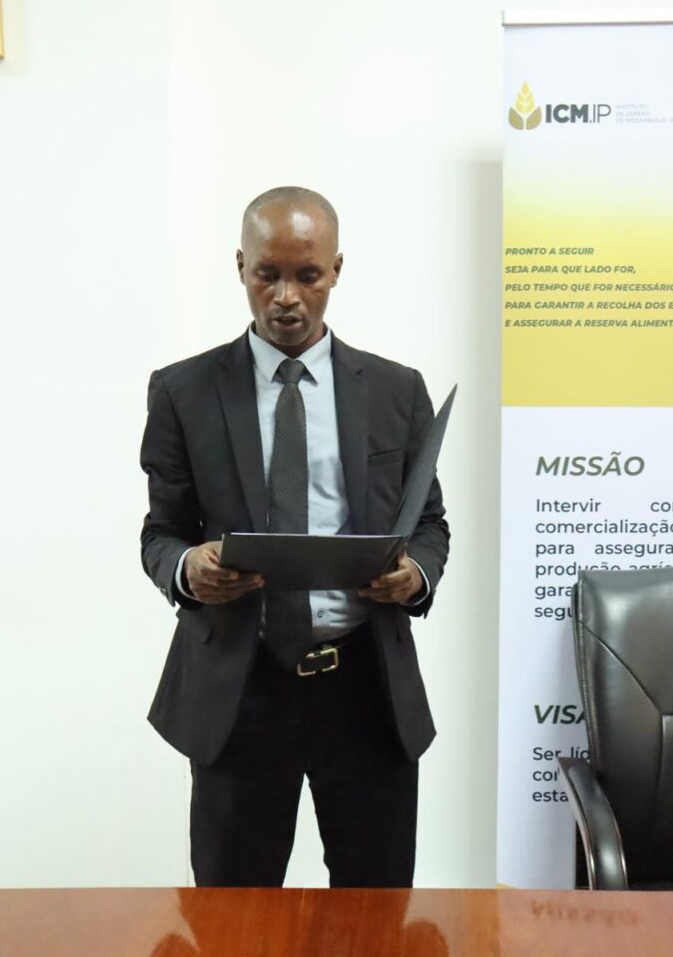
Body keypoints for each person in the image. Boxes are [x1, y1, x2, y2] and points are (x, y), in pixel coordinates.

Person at [140, 186, 449, 888]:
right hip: (239, 691)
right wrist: (188, 567)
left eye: (307, 275)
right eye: (266, 274)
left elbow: (429, 523)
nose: (285, 297)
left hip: (366, 688)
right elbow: (161, 533)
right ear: (240, 267)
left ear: (336, 269)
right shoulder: (184, 392)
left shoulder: (397, 391)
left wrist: (416, 575)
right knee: (234, 915)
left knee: (374, 912)